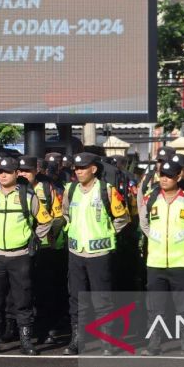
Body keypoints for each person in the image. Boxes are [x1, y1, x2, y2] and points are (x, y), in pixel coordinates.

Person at [0, 157, 53, 356]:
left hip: (20, 255)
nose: (2, 175)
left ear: (16, 174)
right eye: (0, 171)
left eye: (7, 172)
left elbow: (45, 220)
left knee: (23, 299)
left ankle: (26, 341)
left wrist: (34, 239)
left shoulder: (28, 196)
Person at [61, 152, 130, 355]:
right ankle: (77, 340)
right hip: (76, 251)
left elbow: (122, 217)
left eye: (83, 167)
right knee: (77, 298)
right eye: (76, 168)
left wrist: (107, 233)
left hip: (99, 253)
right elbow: (66, 214)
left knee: (102, 299)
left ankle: (106, 341)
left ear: (94, 169)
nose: (79, 171)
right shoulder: (70, 190)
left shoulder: (106, 190)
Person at [138, 160, 184, 357]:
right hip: (156, 261)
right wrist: (155, 237)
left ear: (179, 177)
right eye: (162, 175)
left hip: (182, 262)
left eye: (169, 176)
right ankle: (154, 344)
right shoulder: (151, 197)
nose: (164, 179)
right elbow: (144, 222)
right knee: (155, 307)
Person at [19, 155, 67, 345]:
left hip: (46, 247)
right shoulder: (14, 189)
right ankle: (22, 330)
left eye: (27, 171)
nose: (23, 174)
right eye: (20, 170)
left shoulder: (47, 189)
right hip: (20, 248)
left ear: (36, 172)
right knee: (23, 291)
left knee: (45, 291)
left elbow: (58, 216)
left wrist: (42, 234)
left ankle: (47, 328)